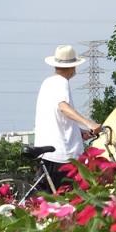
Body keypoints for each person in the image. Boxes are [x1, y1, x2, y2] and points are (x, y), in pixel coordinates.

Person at [34, 45, 102, 189]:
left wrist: (80, 132)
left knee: (48, 200)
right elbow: (63, 108)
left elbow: (58, 118)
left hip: (48, 150)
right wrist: (89, 123)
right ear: (73, 67)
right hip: (61, 153)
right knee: (74, 196)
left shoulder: (48, 82)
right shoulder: (61, 82)